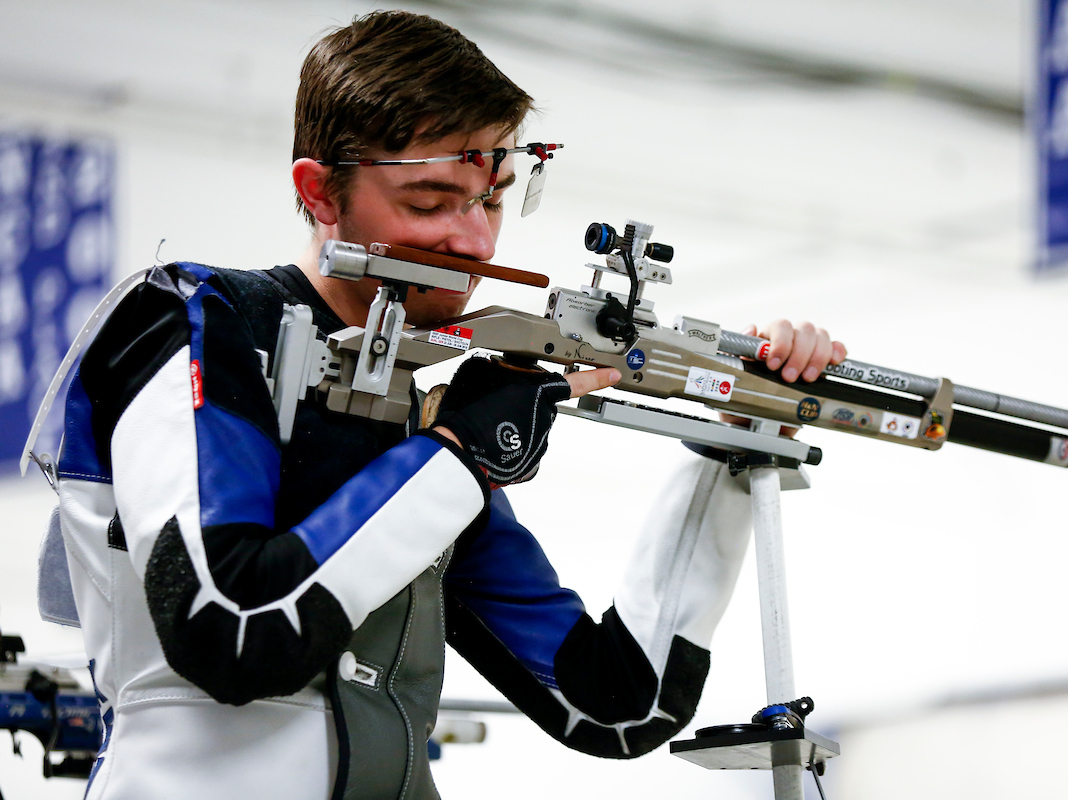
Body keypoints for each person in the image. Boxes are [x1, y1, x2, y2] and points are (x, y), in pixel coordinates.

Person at [54, 11, 847, 799]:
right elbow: (231, 629)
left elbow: (615, 703)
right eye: (431, 202)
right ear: (320, 191)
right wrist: (460, 457)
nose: (474, 243)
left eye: (493, 198)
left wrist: (739, 439)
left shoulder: (408, 416)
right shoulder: (194, 317)